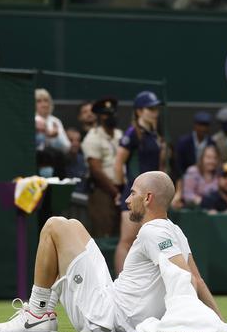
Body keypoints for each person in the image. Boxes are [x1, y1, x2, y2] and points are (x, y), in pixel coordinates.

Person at [0, 171, 227, 332]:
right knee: (71, 225)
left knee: (53, 225)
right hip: (110, 299)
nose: (127, 200)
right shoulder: (175, 231)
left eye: (133, 193)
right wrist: (219, 322)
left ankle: (37, 315)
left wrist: (186, 322)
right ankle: (45, 313)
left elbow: (182, 279)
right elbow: (197, 280)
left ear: (148, 198)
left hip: (105, 316)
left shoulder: (153, 231)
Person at [114, 91, 165, 275]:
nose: (154, 112)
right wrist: (121, 189)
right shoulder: (131, 133)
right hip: (135, 193)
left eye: (155, 109)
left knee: (148, 240)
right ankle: (120, 284)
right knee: (127, 240)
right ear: (139, 111)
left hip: (151, 195)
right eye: (150, 108)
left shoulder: (154, 134)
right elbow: (118, 163)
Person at [81, 97, 123, 238]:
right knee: (104, 232)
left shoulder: (120, 135)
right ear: (99, 117)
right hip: (103, 191)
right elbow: (96, 169)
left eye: (113, 113)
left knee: (122, 233)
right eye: (106, 114)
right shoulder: (93, 137)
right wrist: (115, 192)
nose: (110, 116)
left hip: (123, 188)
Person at [35, 88, 70, 178]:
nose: (44, 104)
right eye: (39, 101)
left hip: (55, 165)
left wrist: (55, 137)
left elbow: (66, 146)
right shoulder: (30, 119)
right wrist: (43, 134)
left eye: (46, 101)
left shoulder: (55, 121)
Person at [174, 111, 214, 179]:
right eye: (200, 125)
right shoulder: (184, 142)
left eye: (205, 125)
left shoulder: (212, 143)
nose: (203, 128)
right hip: (186, 178)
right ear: (195, 125)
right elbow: (178, 165)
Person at [63, 127, 88, 193]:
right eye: (71, 140)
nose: (75, 144)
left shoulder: (84, 160)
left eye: (78, 140)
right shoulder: (58, 161)